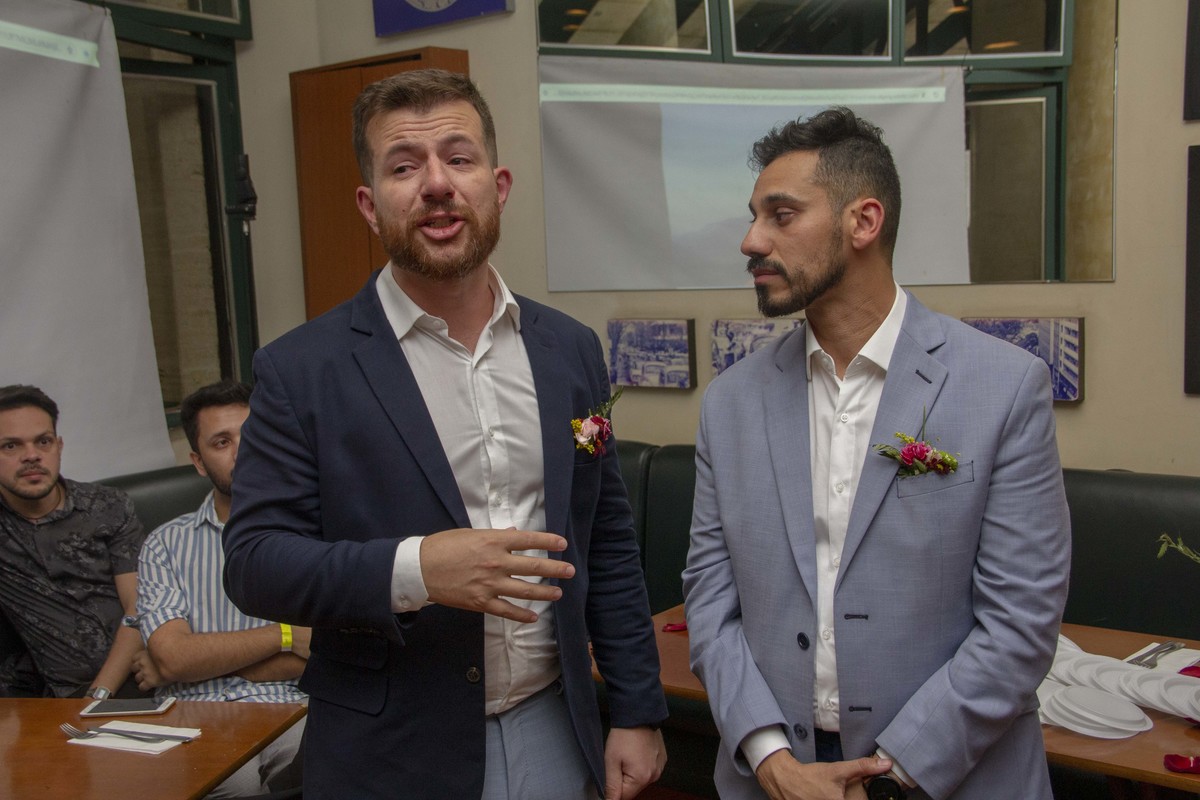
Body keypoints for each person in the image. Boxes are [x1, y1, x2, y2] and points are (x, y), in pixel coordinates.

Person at [222, 69, 667, 800]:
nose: (436, 184)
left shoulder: (569, 349)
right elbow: (255, 564)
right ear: (370, 206)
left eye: (459, 159)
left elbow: (607, 538)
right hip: (391, 756)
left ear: (499, 185)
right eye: (404, 167)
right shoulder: (301, 369)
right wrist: (417, 571)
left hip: (558, 726)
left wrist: (638, 708)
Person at [682, 107, 1071, 800]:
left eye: (781, 215)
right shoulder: (730, 403)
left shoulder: (1004, 387)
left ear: (863, 222)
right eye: (753, 216)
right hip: (773, 773)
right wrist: (772, 761)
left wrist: (885, 783)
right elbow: (710, 600)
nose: (751, 240)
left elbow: (1021, 625)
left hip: (951, 777)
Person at [133, 380, 307, 797]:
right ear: (198, 461)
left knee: (325, 762)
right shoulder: (164, 545)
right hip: (194, 717)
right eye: (222, 442)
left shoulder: (313, 532)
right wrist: (285, 636)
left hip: (293, 709)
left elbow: (327, 652)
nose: (242, 452)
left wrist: (198, 662)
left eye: (252, 435)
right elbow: (173, 658)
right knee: (231, 785)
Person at [0, 384, 146, 699]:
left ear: (59, 446)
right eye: (11, 446)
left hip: (140, 676)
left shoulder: (108, 506)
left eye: (43, 441)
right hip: (55, 698)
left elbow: (138, 606)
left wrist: (99, 694)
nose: (31, 456)